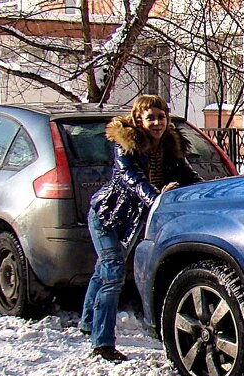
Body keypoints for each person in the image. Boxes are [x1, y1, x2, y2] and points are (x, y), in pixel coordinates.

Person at [80, 95, 201, 362]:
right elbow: (133, 181)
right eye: (151, 118)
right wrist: (159, 198)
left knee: (103, 271)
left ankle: (88, 321)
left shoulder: (172, 147)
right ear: (139, 120)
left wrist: (208, 193)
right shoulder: (127, 147)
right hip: (108, 218)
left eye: (161, 117)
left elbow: (190, 177)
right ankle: (102, 343)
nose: (157, 123)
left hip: (135, 220)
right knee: (112, 273)